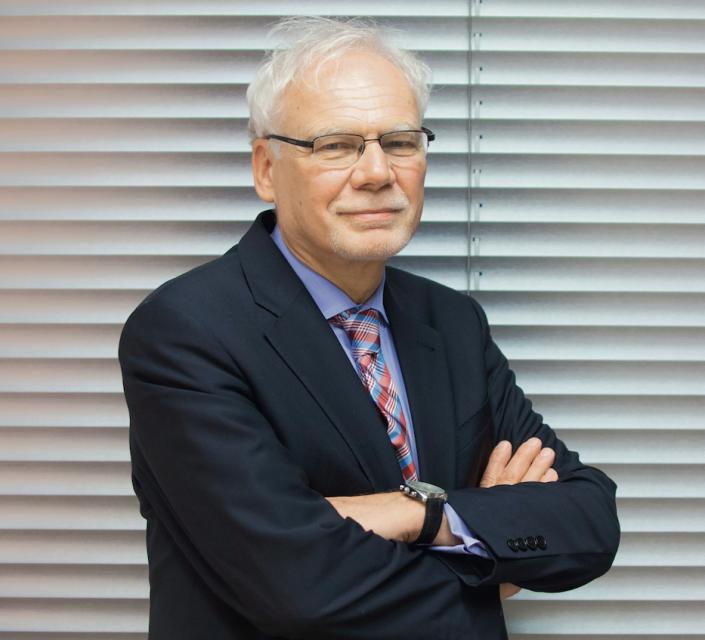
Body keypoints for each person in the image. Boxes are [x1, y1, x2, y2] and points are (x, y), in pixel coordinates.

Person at [118, 16, 620, 640]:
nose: (378, 172)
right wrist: (489, 559)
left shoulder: (452, 322)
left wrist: (417, 513)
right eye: (335, 145)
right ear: (267, 169)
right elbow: (298, 587)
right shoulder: (184, 332)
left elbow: (589, 521)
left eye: (401, 141)